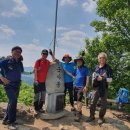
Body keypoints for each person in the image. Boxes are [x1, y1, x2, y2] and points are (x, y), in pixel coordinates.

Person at [0, 46, 24, 129]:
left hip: (17, 85)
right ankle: (11, 122)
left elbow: (22, 71)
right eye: (16, 51)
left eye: (19, 52)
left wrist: (33, 72)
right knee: (13, 100)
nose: (18, 53)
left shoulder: (19, 62)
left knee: (12, 101)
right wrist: (1, 77)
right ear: (12, 52)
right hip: (9, 85)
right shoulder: (6, 61)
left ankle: (5, 119)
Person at [86, 52, 112, 125]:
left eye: (103, 58)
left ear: (105, 59)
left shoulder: (108, 68)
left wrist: (103, 78)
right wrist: (93, 83)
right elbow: (93, 76)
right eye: (100, 58)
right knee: (92, 102)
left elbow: (110, 80)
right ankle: (91, 116)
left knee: (103, 104)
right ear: (98, 59)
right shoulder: (96, 67)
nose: (102, 59)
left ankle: (101, 117)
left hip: (104, 88)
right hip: (95, 88)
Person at [33, 49, 55, 114]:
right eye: (43, 54)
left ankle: (40, 108)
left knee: (43, 96)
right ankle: (36, 108)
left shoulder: (48, 62)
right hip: (37, 82)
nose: (44, 55)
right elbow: (35, 71)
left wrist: (52, 54)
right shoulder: (38, 61)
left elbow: (55, 61)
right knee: (36, 96)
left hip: (44, 82)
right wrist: (36, 80)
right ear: (41, 54)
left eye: (46, 54)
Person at [73, 56, 90, 122]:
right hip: (75, 86)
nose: (78, 62)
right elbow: (73, 75)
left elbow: (88, 77)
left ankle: (78, 115)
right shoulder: (76, 69)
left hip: (82, 87)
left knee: (79, 100)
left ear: (82, 62)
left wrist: (86, 86)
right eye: (77, 61)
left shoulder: (86, 69)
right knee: (76, 101)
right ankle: (79, 112)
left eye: (80, 61)